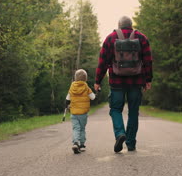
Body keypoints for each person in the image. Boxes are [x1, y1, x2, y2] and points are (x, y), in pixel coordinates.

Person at [94, 16, 153, 153]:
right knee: (133, 112)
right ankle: (131, 143)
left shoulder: (111, 38)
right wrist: (148, 80)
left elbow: (102, 62)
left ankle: (120, 133)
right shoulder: (141, 38)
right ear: (131, 25)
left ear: (119, 25)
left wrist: (98, 81)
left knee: (115, 109)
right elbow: (148, 61)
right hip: (136, 81)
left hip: (116, 81)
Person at [66, 69, 96, 154]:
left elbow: (67, 99)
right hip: (83, 113)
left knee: (76, 128)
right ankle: (82, 145)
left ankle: (75, 142)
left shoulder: (72, 87)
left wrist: (66, 105)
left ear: (75, 78)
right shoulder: (86, 87)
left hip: (74, 112)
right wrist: (97, 92)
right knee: (82, 129)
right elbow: (93, 97)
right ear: (85, 78)